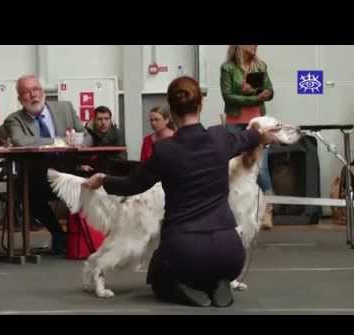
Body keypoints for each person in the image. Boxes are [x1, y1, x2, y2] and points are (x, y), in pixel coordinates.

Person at [83, 76, 278, 307]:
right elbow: (254, 135)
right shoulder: (221, 137)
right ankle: (217, 283)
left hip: (186, 250)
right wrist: (265, 135)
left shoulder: (164, 151)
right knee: (213, 263)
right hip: (231, 254)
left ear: (171, 112)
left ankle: (182, 288)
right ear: (201, 105)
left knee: (158, 273)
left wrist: (102, 179)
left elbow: (132, 185)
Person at [1, 74, 86, 255]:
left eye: (36, 89)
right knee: (26, 191)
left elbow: (87, 135)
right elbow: (21, 141)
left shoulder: (66, 108)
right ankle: (58, 233)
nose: (33, 95)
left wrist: (79, 140)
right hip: (38, 177)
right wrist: (59, 141)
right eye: (27, 92)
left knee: (90, 183)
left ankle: (83, 236)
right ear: (19, 99)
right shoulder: (14, 119)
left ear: (43, 92)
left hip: (69, 171)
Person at [220, 45, 275, 229]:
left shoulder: (261, 66)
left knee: (262, 168)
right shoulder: (227, 68)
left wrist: (266, 93)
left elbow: (270, 90)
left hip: (258, 121)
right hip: (234, 122)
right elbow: (228, 97)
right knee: (233, 165)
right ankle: (232, 209)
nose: (254, 46)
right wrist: (253, 96)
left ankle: (268, 210)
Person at [81, 105, 126, 174]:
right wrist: (82, 165)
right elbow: (81, 156)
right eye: (99, 119)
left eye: (106, 119)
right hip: (90, 171)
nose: (103, 123)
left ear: (111, 120)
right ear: (94, 121)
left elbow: (120, 159)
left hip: (111, 172)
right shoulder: (87, 133)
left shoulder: (117, 134)